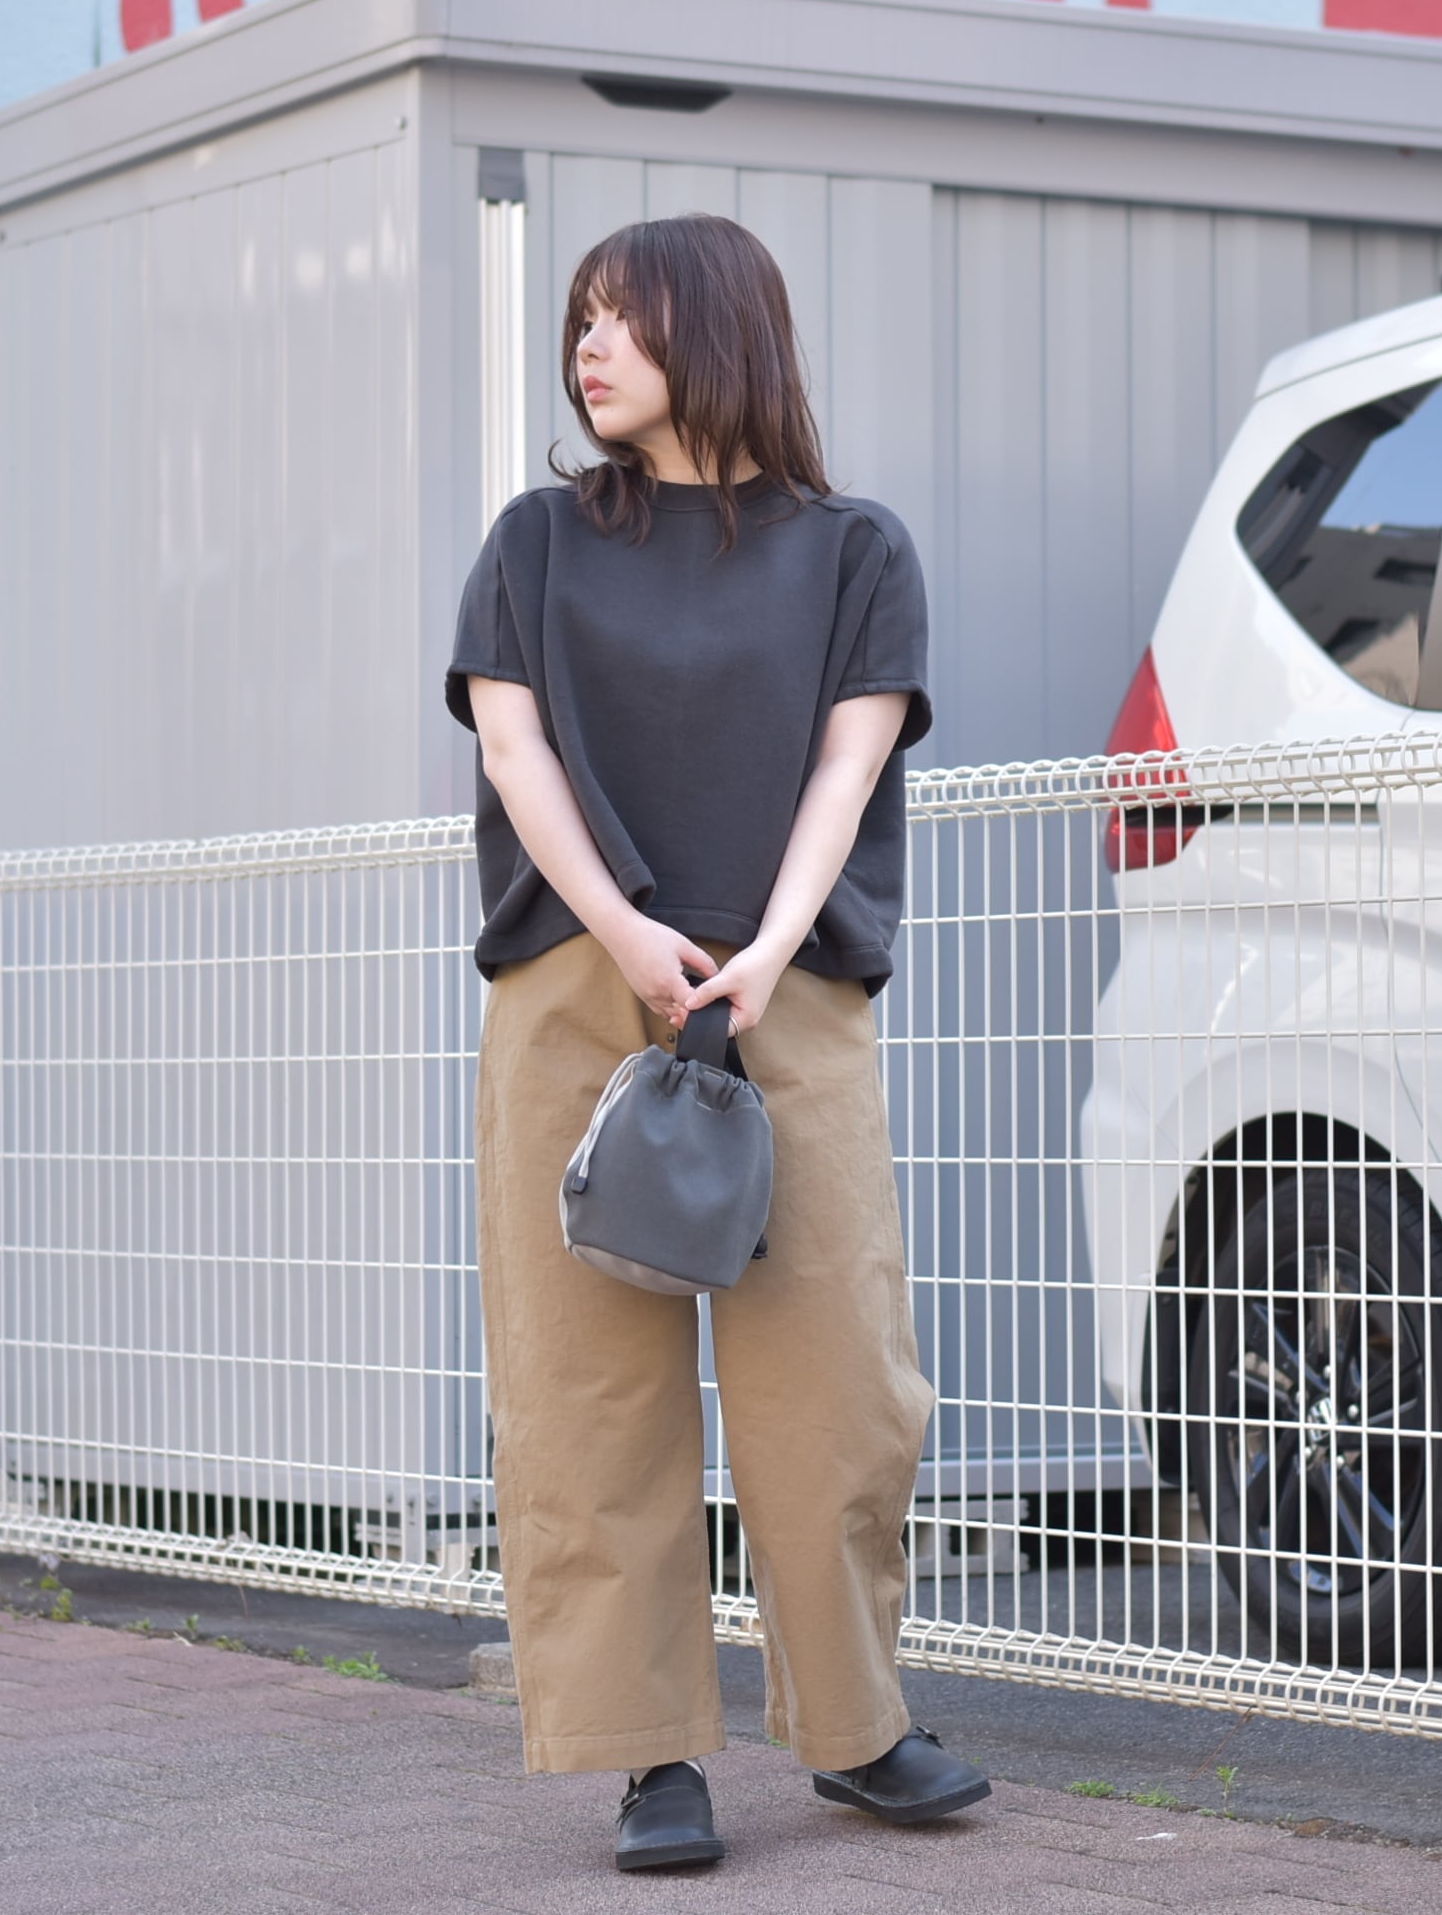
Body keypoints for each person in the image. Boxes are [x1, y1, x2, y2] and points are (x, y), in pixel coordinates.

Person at [445, 212, 987, 1872]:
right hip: (575, 977)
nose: (588, 346)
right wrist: (628, 930)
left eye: (623, 316)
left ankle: (857, 1728)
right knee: (585, 1384)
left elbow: (851, 766)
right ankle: (645, 1755)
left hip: (784, 986)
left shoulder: (856, 551)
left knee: (835, 1375)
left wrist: (761, 947)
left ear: (719, 327)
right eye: (580, 320)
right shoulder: (536, 543)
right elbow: (516, 753)